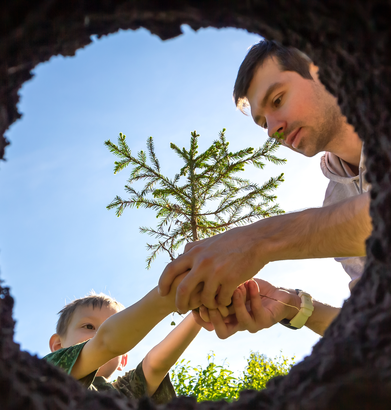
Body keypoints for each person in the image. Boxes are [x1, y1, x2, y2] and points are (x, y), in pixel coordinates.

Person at [157, 39, 373, 339]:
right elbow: (379, 325)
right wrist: (294, 307)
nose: (272, 130)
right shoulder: (336, 201)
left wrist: (259, 240)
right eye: (263, 124)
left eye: (277, 100)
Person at [43, 277, 204, 404]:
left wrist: (201, 313)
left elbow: (155, 365)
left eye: (112, 326)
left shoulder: (125, 394)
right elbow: (106, 343)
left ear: (123, 359)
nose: (98, 334)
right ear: (58, 346)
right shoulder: (49, 373)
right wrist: (174, 295)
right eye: (89, 326)